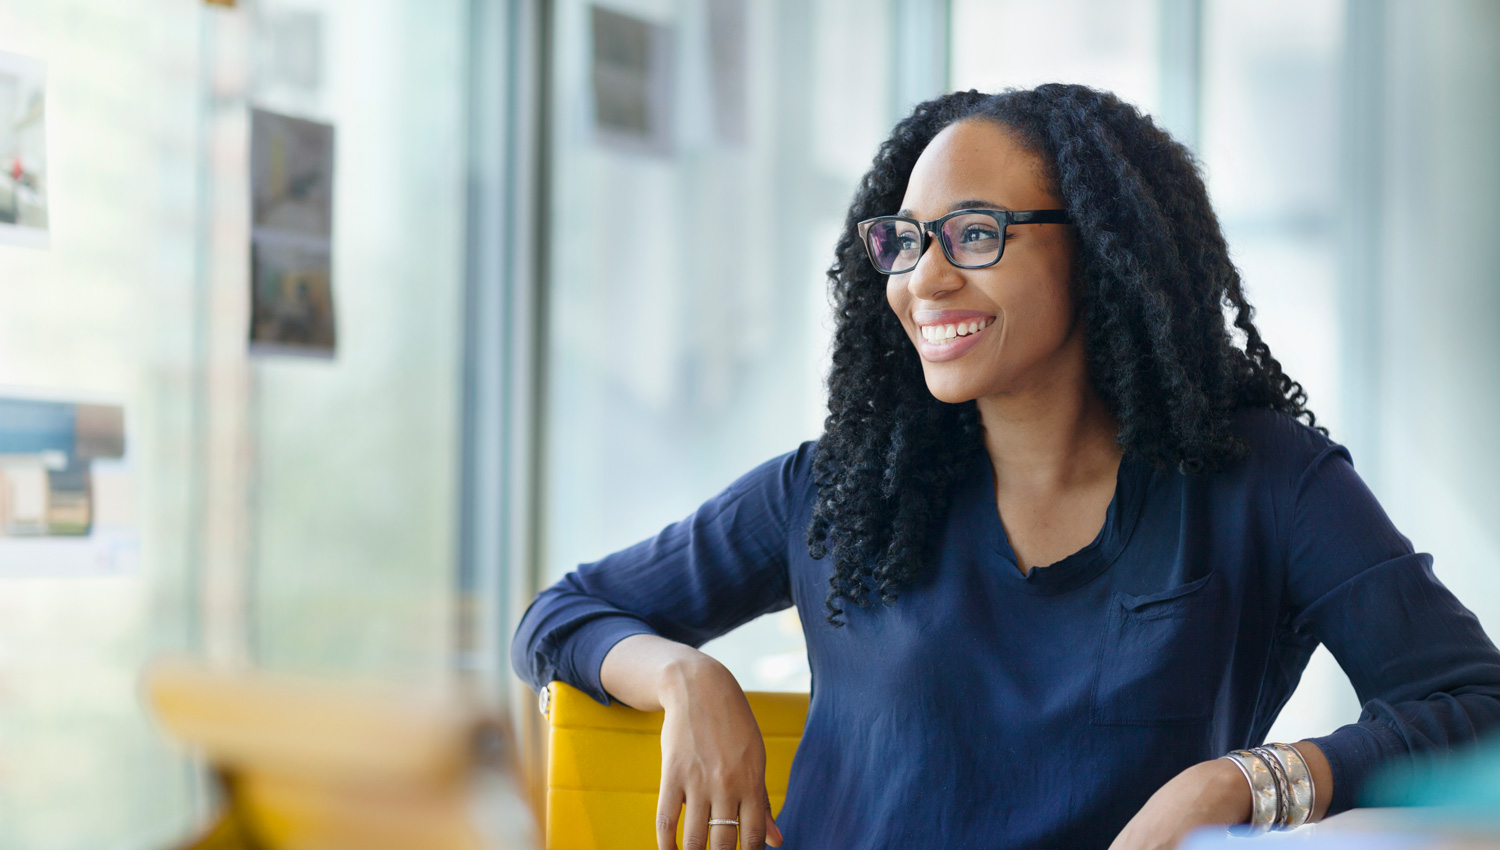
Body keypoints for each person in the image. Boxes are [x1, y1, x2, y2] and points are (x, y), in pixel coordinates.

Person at [510, 85, 1500, 850]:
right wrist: (688, 676)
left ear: (1105, 256)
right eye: (904, 242)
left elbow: (1475, 708)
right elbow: (562, 615)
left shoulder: (1266, 484)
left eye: (976, 235)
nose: (924, 279)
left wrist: (1245, 781)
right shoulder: (842, 487)